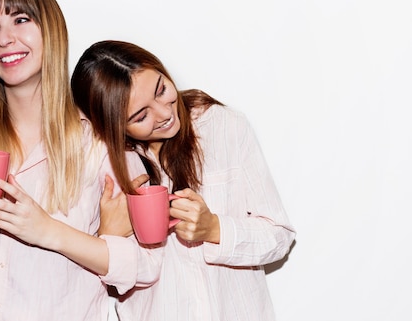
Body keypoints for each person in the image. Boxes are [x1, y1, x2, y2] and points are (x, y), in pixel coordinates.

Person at [0, 0, 156, 321]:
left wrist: (47, 231)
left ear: (51, 30)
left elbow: (144, 265)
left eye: (21, 19)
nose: (4, 39)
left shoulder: (99, 139)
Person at [71, 40, 297, 321]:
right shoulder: (105, 165)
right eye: (141, 115)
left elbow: (279, 236)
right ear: (113, 127)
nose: (165, 113)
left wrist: (214, 229)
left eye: (161, 89)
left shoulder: (223, 127)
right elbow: (113, 283)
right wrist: (109, 236)